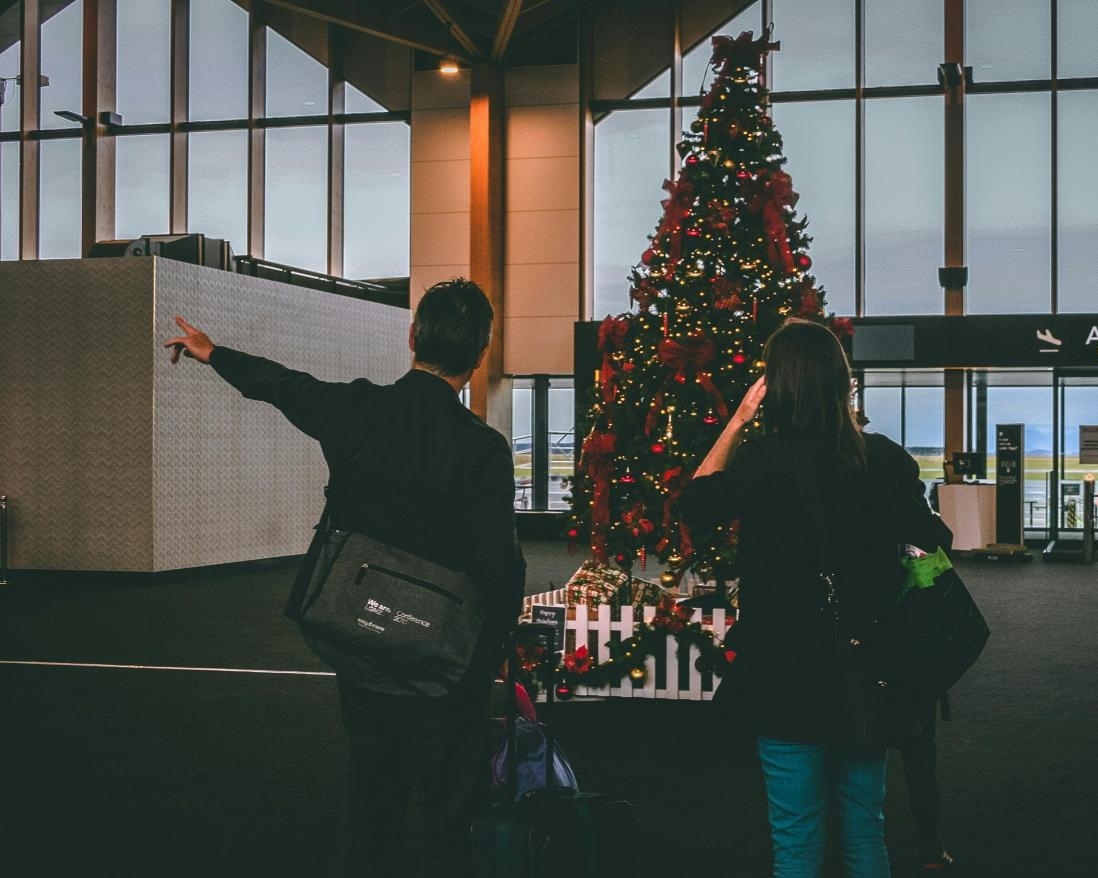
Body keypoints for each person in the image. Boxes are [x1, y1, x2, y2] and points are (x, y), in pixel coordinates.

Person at [164, 278, 526, 878]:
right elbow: (499, 567)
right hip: (447, 661)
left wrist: (212, 351)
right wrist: (499, 648)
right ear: (481, 354)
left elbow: (281, 386)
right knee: (447, 819)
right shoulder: (481, 449)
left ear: (413, 337)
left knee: (371, 806)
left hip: (361, 637)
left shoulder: (357, 410)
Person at [679, 318, 943, 878]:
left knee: (796, 840)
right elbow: (934, 539)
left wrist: (739, 418)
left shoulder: (761, 462)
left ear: (777, 386)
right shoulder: (883, 460)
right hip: (864, 671)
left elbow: (695, 502)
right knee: (865, 831)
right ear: (841, 384)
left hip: (784, 676)